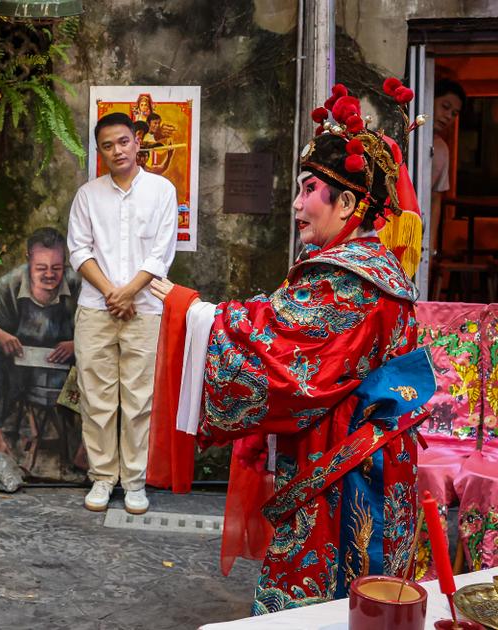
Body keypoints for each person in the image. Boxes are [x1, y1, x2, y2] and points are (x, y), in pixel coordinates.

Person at [148, 83, 430, 614]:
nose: (297, 204)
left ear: (347, 203)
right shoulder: (370, 269)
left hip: (348, 468)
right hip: (375, 456)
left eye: (308, 190)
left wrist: (197, 315)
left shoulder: (349, 281)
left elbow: (283, 355)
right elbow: (283, 319)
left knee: (328, 599)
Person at [67, 111, 178, 515]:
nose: (118, 150)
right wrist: (113, 292)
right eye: (108, 145)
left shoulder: (162, 191)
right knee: (97, 397)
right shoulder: (88, 195)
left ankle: (133, 481)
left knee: (139, 399)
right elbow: (79, 250)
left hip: (145, 310)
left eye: (123, 141)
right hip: (96, 309)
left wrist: (130, 292)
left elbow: (162, 252)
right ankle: (101, 478)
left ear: (137, 142)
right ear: (100, 152)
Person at [0, 228, 80, 460]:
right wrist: (2, 337)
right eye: (41, 268)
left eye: (56, 268)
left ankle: (85, 451)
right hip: (19, 363)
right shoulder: (9, 284)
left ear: (65, 264)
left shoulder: (78, 284)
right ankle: (0, 446)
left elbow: (98, 326)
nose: (49, 274)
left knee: (102, 379)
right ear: (29, 260)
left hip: (69, 366)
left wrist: (76, 344)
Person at [429, 79, 465, 255]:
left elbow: (436, 198)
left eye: (454, 113)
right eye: (445, 106)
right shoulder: (407, 135)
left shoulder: (442, 149)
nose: (449, 116)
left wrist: (430, 246)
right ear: (430, 98)